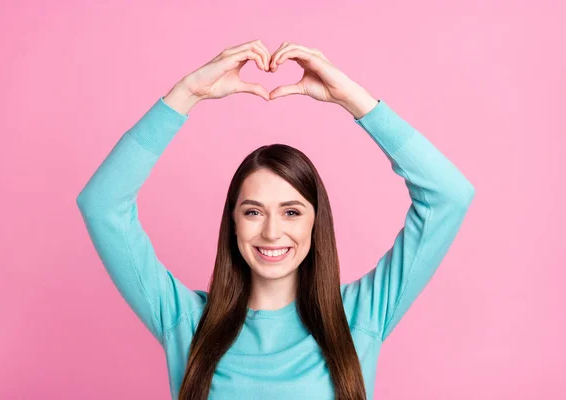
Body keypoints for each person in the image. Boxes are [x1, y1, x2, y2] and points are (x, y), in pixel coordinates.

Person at [76, 40, 475, 400]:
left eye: (291, 212)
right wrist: (186, 94)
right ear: (233, 222)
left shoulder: (361, 316)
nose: (271, 231)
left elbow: (448, 196)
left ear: (315, 224)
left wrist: (354, 101)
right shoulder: (184, 322)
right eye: (253, 212)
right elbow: (102, 204)